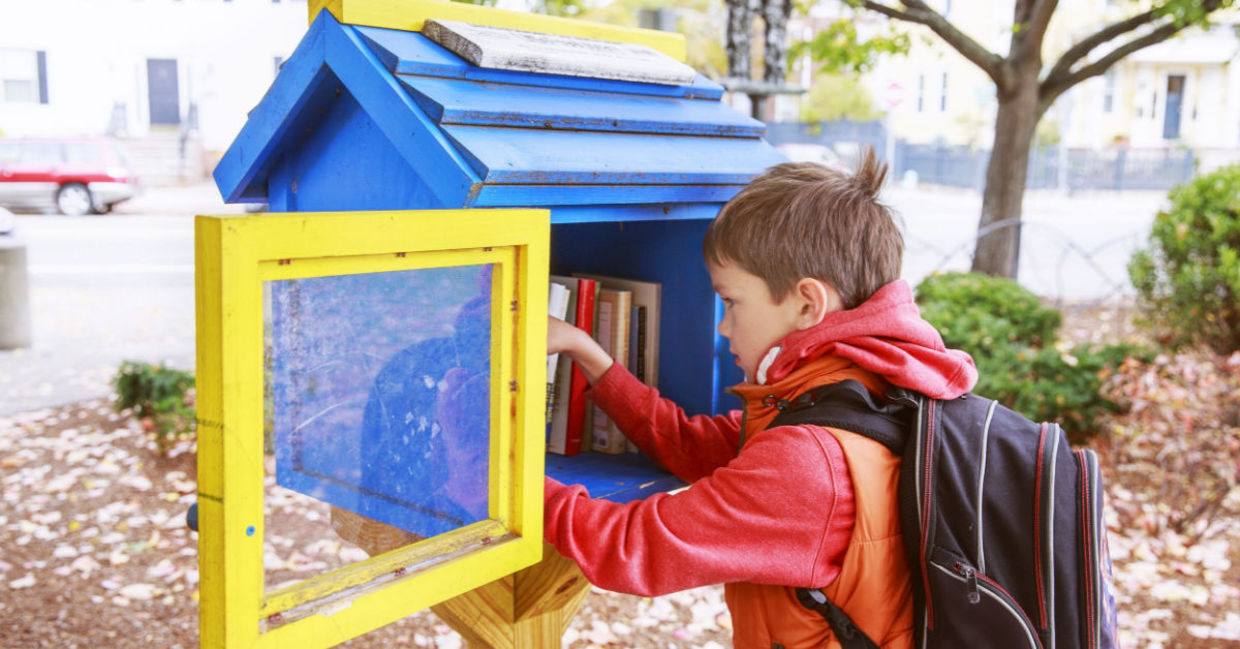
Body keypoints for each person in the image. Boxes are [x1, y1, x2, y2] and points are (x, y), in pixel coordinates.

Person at [543, 149, 978, 649]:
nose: (724, 326)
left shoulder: (810, 461)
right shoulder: (870, 387)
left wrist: (498, 482)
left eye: (731, 301)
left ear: (806, 303)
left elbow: (632, 546)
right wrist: (588, 352)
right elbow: (691, 443)